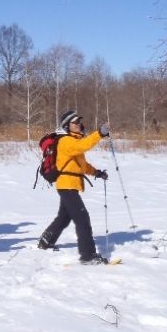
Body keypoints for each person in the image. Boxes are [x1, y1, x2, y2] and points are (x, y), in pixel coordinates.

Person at [37, 110, 110, 264]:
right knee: (82, 218)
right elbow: (84, 146)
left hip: (71, 185)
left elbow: (81, 165)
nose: (78, 124)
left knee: (64, 217)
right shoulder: (66, 141)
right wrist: (99, 134)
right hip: (66, 185)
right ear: (67, 125)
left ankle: (46, 240)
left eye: (79, 122)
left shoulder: (74, 141)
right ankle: (88, 255)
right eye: (75, 122)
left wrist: (96, 172)